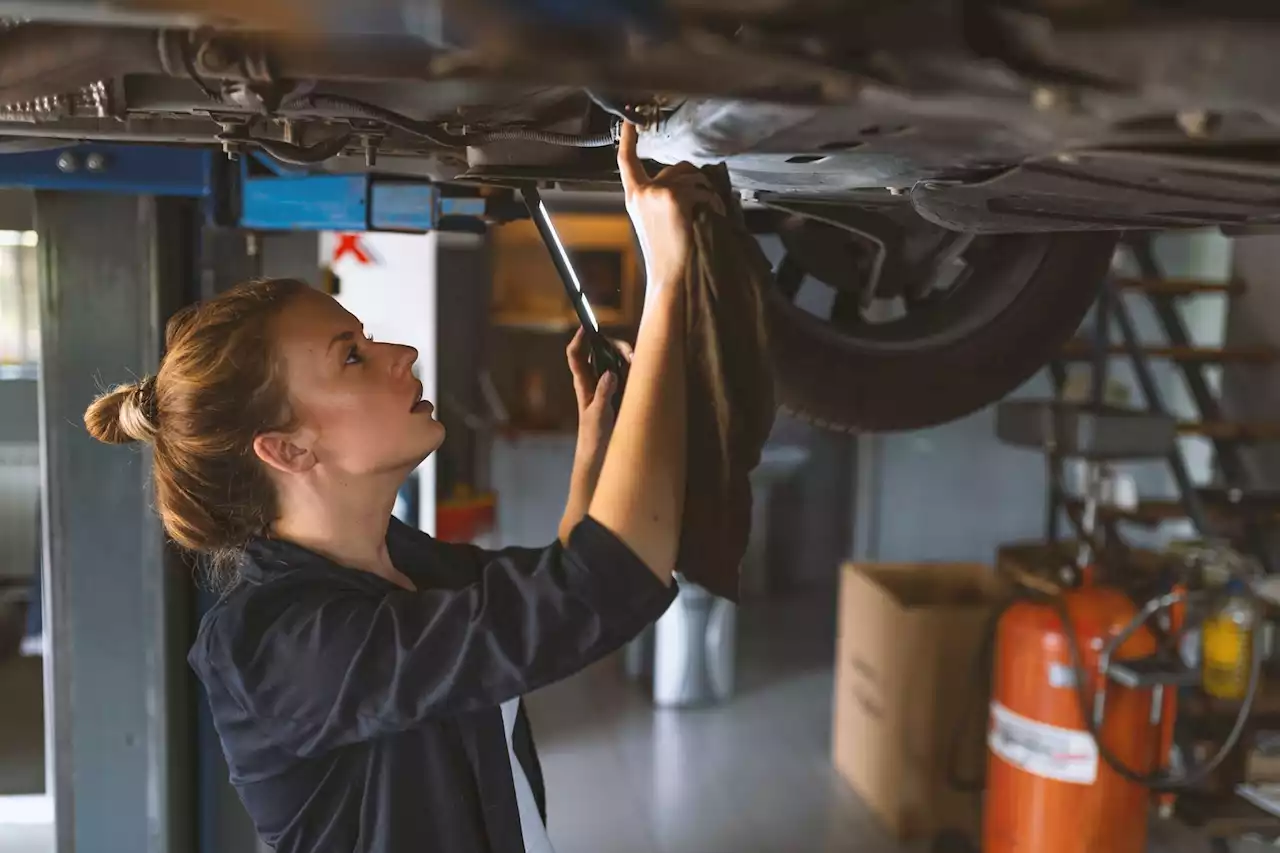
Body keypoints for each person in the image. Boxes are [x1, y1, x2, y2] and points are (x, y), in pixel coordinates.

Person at [83, 125, 718, 853]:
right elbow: (600, 587)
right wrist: (667, 279)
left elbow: (557, 595)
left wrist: (595, 451)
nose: (402, 352)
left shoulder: (405, 566)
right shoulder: (278, 647)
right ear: (287, 447)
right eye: (352, 356)